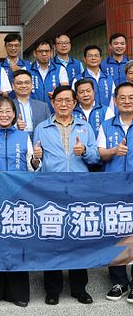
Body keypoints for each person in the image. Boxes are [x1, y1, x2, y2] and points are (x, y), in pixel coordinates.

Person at [34, 85, 99, 306]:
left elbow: (95, 158)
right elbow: (36, 163)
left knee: (78, 238)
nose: (63, 104)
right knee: (52, 237)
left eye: (68, 100)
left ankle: (79, 289)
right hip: (51, 190)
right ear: (52, 103)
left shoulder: (85, 126)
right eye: (59, 100)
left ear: (74, 103)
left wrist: (85, 152)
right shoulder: (42, 128)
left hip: (79, 189)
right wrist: (35, 158)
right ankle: (52, 290)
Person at [0, 96, 41, 308]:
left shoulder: (24, 137)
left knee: (18, 242)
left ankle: (19, 293)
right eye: (0, 111)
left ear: (14, 115)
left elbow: (33, 167)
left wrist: (36, 159)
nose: (4, 115)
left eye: (8, 111)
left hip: (19, 197)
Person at [97, 82, 133, 303]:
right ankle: (119, 282)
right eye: (123, 97)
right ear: (115, 100)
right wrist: (114, 151)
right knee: (116, 232)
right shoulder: (106, 125)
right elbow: (100, 154)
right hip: (113, 188)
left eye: (131, 97)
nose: (127, 101)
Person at [11, 70, 51, 140]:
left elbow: (50, 128)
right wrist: (15, 127)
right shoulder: (8, 106)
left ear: (32, 85)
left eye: (27, 82)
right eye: (19, 83)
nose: (24, 86)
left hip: (40, 141)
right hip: (16, 141)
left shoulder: (43, 106)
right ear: (13, 86)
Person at [29, 40, 69, 110]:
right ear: (35, 53)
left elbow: (65, 90)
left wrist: (57, 94)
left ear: (51, 53)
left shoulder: (60, 69)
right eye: (40, 51)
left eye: (47, 51)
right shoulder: (27, 70)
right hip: (33, 111)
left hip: (54, 110)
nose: (44, 54)